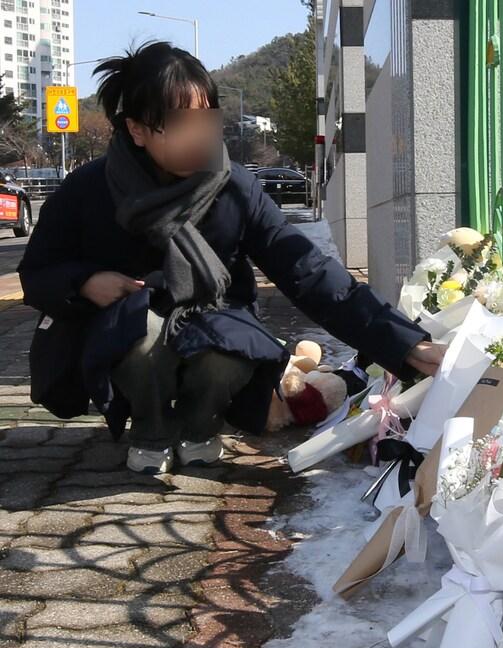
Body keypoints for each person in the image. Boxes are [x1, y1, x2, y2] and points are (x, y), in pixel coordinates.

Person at [18, 41, 445, 474]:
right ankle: (150, 428)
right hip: (125, 333)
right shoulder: (88, 190)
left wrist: (404, 344)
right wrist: (85, 283)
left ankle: (200, 425)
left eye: (207, 119)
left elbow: (308, 271)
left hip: (213, 321)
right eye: (178, 122)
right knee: (139, 332)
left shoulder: (235, 187)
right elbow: (38, 272)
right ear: (138, 130)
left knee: (229, 345)